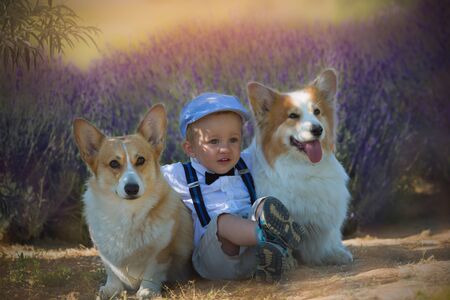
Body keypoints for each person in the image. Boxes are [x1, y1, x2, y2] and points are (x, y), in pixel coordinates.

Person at [161, 92, 304, 282]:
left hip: (253, 253)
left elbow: (271, 148)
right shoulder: (179, 175)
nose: (225, 149)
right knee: (223, 222)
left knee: (264, 204)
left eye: (233, 140)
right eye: (214, 141)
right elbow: (146, 174)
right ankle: (271, 237)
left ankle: (270, 253)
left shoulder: (246, 161)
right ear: (190, 149)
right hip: (216, 260)